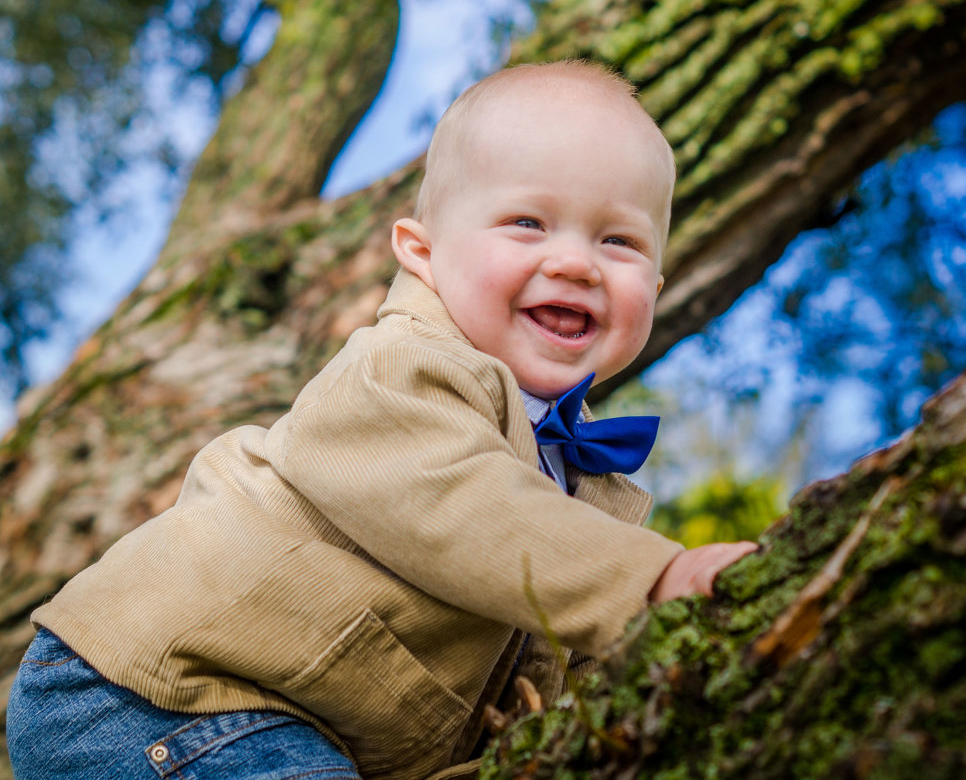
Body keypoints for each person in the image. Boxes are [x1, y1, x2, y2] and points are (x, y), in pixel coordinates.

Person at [6, 60, 758, 780]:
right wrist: (659, 575)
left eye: (618, 241)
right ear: (422, 254)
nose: (576, 262)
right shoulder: (403, 368)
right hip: (153, 688)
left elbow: (557, 672)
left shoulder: (590, 491)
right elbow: (468, 510)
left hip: (284, 721)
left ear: (655, 285)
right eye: (528, 223)